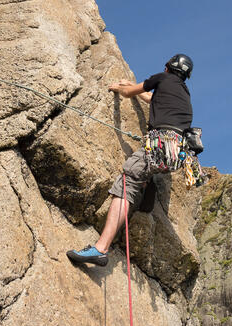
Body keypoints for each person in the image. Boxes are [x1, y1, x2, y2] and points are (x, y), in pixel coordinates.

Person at [66, 53, 194, 267]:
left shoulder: (161, 79)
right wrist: (136, 90)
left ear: (167, 68)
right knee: (143, 172)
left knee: (127, 181)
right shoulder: (184, 93)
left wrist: (124, 88)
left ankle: (100, 248)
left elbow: (128, 93)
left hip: (160, 143)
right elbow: (153, 99)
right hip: (177, 153)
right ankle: (147, 188)